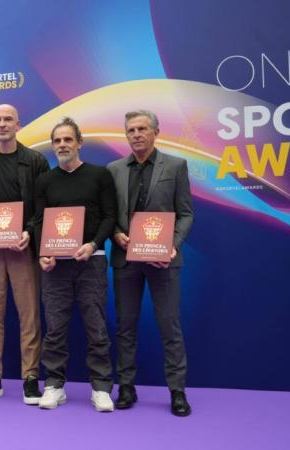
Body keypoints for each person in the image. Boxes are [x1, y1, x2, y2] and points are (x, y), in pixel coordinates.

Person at [107, 110, 194, 417]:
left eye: (143, 128)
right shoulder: (114, 169)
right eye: (131, 130)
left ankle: (177, 391)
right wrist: (116, 234)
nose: (136, 134)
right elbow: (108, 214)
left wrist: (172, 245)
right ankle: (126, 387)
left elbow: (185, 213)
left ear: (156, 132)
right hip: (125, 260)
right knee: (125, 327)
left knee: (170, 327)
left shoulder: (176, 166)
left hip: (163, 262)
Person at [33, 118, 117, 411]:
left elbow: (110, 217)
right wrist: (41, 252)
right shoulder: (45, 180)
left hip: (90, 261)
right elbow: (38, 222)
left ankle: (101, 388)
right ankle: (55, 385)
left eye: (68, 140)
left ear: (79, 142)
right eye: (57, 141)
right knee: (55, 328)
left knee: (96, 327)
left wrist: (93, 244)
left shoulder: (99, 175)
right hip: (56, 266)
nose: (62, 146)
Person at [0, 104, 50, 404]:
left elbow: (43, 206)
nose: (2, 124)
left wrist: (30, 231)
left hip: (23, 249)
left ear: (18, 123)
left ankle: (31, 378)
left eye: (7, 120)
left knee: (29, 315)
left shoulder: (35, 161)